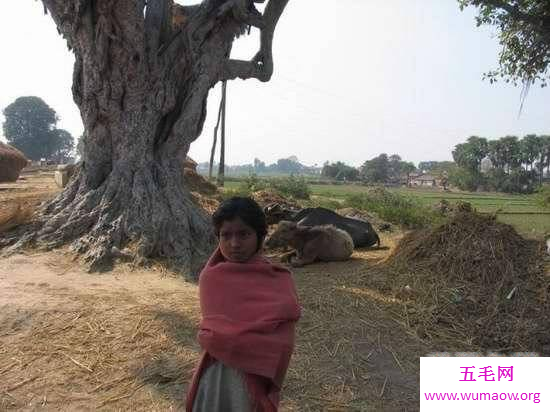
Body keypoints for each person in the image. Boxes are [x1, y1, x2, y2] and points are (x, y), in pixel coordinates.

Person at [186, 197, 301, 412]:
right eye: (225, 235)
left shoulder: (279, 280)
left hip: (254, 381)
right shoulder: (211, 278)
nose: (234, 243)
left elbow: (283, 342)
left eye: (244, 234)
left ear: (260, 236)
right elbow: (214, 334)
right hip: (218, 376)